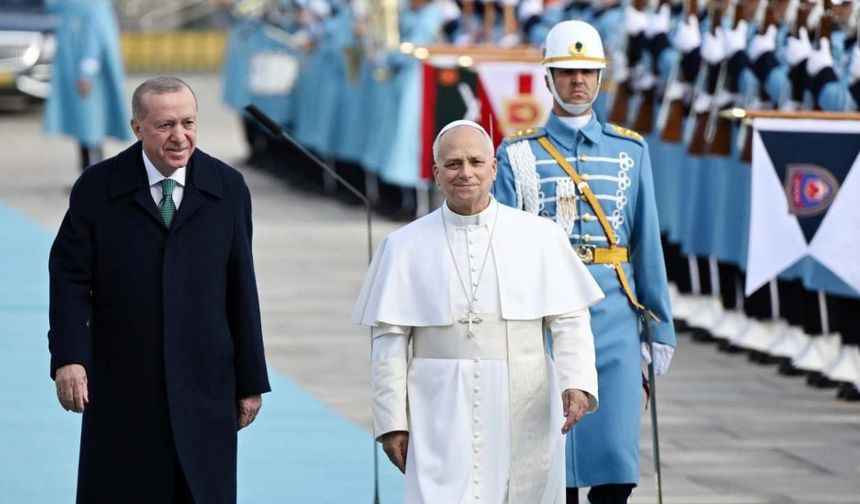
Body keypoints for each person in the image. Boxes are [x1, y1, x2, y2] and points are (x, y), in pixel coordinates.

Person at [353, 120, 605, 503]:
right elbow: (388, 344)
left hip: (525, 396)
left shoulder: (540, 237)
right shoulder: (402, 246)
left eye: (475, 161)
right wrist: (392, 422)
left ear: (494, 168)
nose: (465, 172)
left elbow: (570, 320)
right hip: (437, 405)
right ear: (436, 173)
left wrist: (577, 383)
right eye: (453, 164)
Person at [48, 76, 271, 503]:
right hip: (122, 383)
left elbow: (241, 286)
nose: (180, 136)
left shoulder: (227, 187)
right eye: (165, 125)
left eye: (188, 122)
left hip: (206, 383)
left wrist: (250, 380)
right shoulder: (98, 188)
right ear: (137, 127)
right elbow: (69, 277)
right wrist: (70, 358)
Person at [493, 20, 676, 504]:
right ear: (548, 77)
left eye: (588, 72)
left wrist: (659, 326)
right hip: (544, 318)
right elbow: (502, 246)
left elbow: (646, 245)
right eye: (568, 71)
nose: (579, 81)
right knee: (555, 469)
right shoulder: (517, 154)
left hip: (614, 318)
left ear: (601, 77)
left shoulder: (630, 150)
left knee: (616, 466)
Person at [44, 0, 131, 171]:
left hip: (89, 81)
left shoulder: (94, 6)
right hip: (76, 75)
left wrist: (87, 74)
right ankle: (86, 176)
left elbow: (95, 41)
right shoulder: (71, 5)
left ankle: (93, 179)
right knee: (84, 132)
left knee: (91, 130)